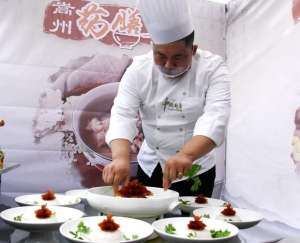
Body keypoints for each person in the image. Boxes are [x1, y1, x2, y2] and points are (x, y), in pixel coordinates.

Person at [102, 0, 230, 197]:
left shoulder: (212, 68)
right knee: (146, 219)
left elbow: (216, 115)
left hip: (196, 167)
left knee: (194, 225)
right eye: (160, 56)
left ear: (193, 50)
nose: (168, 64)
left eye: (178, 57)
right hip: (151, 165)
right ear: (153, 47)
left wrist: (187, 155)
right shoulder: (139, 70)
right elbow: (122, 113)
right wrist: (120, 157)